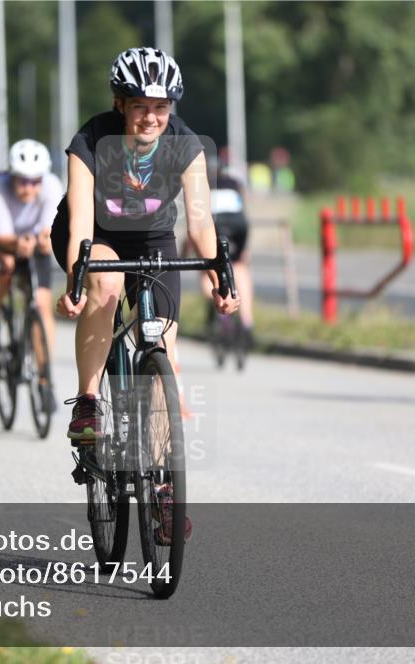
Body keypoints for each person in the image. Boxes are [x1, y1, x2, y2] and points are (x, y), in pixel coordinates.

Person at [51, 47, 240, 541]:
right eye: (140, 106)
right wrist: (76, 277)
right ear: (120, 104)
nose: (151, 116)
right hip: (96, 234)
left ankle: (161, 489)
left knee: (165, 357)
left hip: (155, 238)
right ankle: (89, 401)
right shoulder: (90, 140)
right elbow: (78, 225)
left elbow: (199, 219)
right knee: (107, 285)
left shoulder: (186, 143)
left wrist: (218, 274)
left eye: (161, 106)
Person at [0, 140, 62, 407]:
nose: (28, 188)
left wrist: (47, 240)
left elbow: (48, 229)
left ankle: (45, 379)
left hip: (32, 239)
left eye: (34, 181)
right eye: (22, 181)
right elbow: (2, 237)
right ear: (11, 177)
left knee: (42, 305)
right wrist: (17, 246)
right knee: (6, 266)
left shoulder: (53, 186)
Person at [199, 166, 254, 343]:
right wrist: (244, 249)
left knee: (207, 264)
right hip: (239, 224)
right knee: (238, 265)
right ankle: (246, 320)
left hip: (215, 222)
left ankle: (219, 309)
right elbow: (243, 209)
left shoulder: (203, 184)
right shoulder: (235, 184)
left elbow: (198, 224)